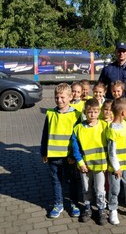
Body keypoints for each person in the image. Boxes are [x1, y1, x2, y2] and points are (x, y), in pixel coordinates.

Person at [40, 83, 81, 219]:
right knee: (56, 181)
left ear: (70, 97)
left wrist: (75, 156)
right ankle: (58, 204)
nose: (59, 100)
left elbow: (79, 138)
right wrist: (43, 152)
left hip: (69, 157)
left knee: (72, 181)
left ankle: (74, 203)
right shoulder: (50, 113)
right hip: (53, 156)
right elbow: (45, 134)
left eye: (63, 97)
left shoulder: (76, 115)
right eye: (57, 97)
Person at [71, 98, 108, 225]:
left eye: (95, 112)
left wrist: (107, 163)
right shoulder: (78, 128)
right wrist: (81, 163)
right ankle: (87, 208)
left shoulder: (104, 126)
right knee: (86, 189)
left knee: (100, 189)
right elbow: (75, 148)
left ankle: (101, 209)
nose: (92, 115)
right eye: (89, 112)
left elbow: (109, 146)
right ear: (85, 112)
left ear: (99, 112)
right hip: (85, 166)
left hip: (100, 165)